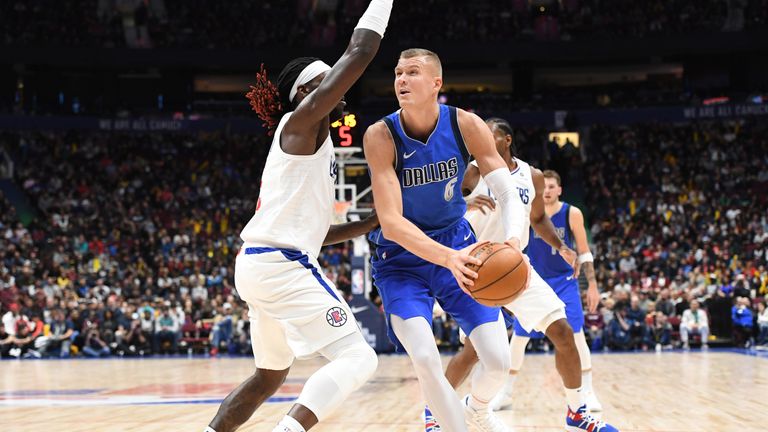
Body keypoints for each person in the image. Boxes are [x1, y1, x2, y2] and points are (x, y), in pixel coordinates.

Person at [365, 49, 617, 432]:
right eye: (398, 73)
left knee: (498, 361)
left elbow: (506, 188)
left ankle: (488, 411)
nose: (401, 79)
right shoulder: (380, 135)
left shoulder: (465, 124)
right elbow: (392, 223)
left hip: (470, 251)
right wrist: (451, 254)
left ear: (437, 83)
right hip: (404, 257)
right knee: (426, 358)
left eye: (412, 72)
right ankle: (441, 421)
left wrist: (514, 241)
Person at [204, 2, 391, 432]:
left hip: (260, 264)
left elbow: (314, 232)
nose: (340, 88)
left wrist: (369, 223)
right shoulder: (300, 123)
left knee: (269, 375)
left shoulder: (311, 142)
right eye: (329, 80)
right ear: (308, 93)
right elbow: (360, 53)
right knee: (359, 359)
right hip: (280, 266)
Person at [438, 122, 606, 416]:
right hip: (478, 269)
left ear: (507, 140)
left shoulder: (532, 175)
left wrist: (562, 246)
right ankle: (435, 410)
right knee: (474, 352)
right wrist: (464, 202)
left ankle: (578, 412)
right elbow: (438, 207)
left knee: (563, 331)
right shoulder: (472, 171)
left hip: (515, 266)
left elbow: (539, 219)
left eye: (490, 134)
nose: (483, 139)